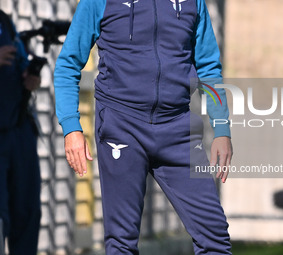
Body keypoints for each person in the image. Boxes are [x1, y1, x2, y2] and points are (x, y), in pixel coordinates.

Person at [54, 0, 233, 254]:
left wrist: (222, 128)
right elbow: (68, 64)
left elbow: (209, 67)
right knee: (121, 242)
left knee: (215, 237)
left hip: (178, 129)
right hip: (121, 126)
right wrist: (72, 128)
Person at [0, 10, 41, 255]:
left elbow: (20, 63)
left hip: (18, 129)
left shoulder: (5, 20)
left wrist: (29, 77)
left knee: (27, 212)